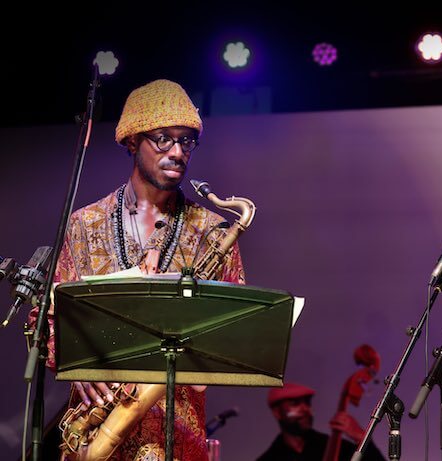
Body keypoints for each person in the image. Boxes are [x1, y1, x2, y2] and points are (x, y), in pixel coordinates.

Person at [29, 79, 245, 459]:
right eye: (163, 138)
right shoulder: (84, 223)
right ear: (132, 141)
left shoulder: (213, 231)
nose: (177, 152)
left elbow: (233, 331)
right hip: (94, 433)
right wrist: (74, 366)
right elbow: (46, 317)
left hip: (179, 437)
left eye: (186, 140)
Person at [257, 382, 385, 461]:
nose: (305, 409)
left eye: (307, 403)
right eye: (295, 404)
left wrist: (362, 438)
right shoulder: (269, 458)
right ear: (277, 412)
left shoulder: (335, 447)